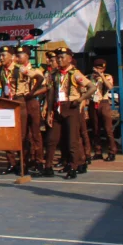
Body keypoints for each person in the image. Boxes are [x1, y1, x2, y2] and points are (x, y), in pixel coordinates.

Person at [39, 48, 91, 179]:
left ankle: (73, 167)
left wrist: (80, 100)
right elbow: (51, 93)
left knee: (72, 140)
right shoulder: (54, 74)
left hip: (71, 106)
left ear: (69, 58)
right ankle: (48, 167)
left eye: (62, 57)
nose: (59, 60)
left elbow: (92, 87)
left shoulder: (74, 73)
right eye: (58, 57)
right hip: (57, 107)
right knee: (52, 139)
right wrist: (49, 110)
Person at [0, 46, 27, 175]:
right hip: (6, 101)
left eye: (4, 55)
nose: (1, 58)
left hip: (18, 100)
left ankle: (23, 164)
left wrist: (29, 93)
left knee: (21, 135)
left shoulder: (19, 69)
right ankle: (11, 163)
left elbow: (39, 79)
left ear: (12, 56)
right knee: (8, 134)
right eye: (0, 55)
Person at [17, 46, 46, 173]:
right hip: (20, 101)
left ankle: (39, 161)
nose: (18, 58)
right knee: (22, 134)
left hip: (32, 102)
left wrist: (33, 92)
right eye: (17, 55)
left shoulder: (35, 70)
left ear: (27, 56)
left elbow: (45, 87)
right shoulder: (15, 70)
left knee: (35, 133)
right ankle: (24, 161)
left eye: (20, 55)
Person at [88, 59, 118, 161]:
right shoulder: (90, 77)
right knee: (95, 128)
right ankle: (98, 151)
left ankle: (112, 151)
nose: (99, 70)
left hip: (103, 102)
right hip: (93, 103)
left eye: (101, 68)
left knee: (108, 128)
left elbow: (110, 87)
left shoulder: (107, 76)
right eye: (97, 68)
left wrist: (101, 76)